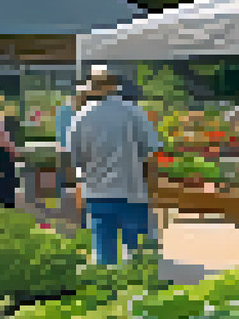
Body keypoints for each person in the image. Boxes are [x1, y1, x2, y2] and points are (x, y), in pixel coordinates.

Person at [64, 67, 165, 265]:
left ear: (91, 88)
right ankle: (137, 282)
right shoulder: (134, 112)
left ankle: (106, 281)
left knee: (104, 255)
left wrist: (78, 190)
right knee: (137, 256)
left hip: (97, 193)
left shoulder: (81, 117)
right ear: (116, 86)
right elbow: (151, 154)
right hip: (132, 191)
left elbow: (73, 160)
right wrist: (152, 188)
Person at [56, 84, 89, 229]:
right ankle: (79, 217)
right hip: (77, 152)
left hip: (67, 151)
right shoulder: (86, 112)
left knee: (70, 186)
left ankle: (72, 217)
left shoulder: (64, 110)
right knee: (77, 185)